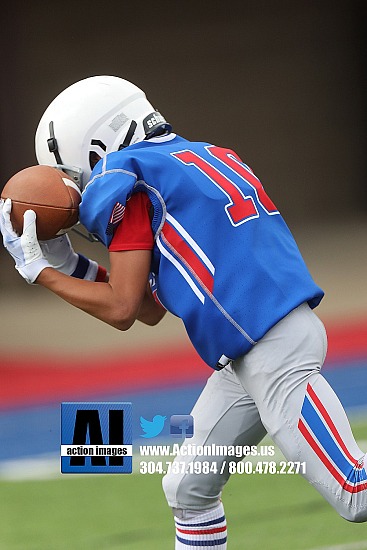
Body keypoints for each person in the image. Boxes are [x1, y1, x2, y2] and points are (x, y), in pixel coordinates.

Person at [1, 75, 366, 548]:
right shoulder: (197, 157)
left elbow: (122, 309)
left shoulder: (126, 178)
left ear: (94, 147)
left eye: (73, 173)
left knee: (354, 491)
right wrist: (70, 263)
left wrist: (40, 273)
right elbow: (149, 308)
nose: (76, 187)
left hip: (274, 351)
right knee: (188, 489)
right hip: (252, 350)